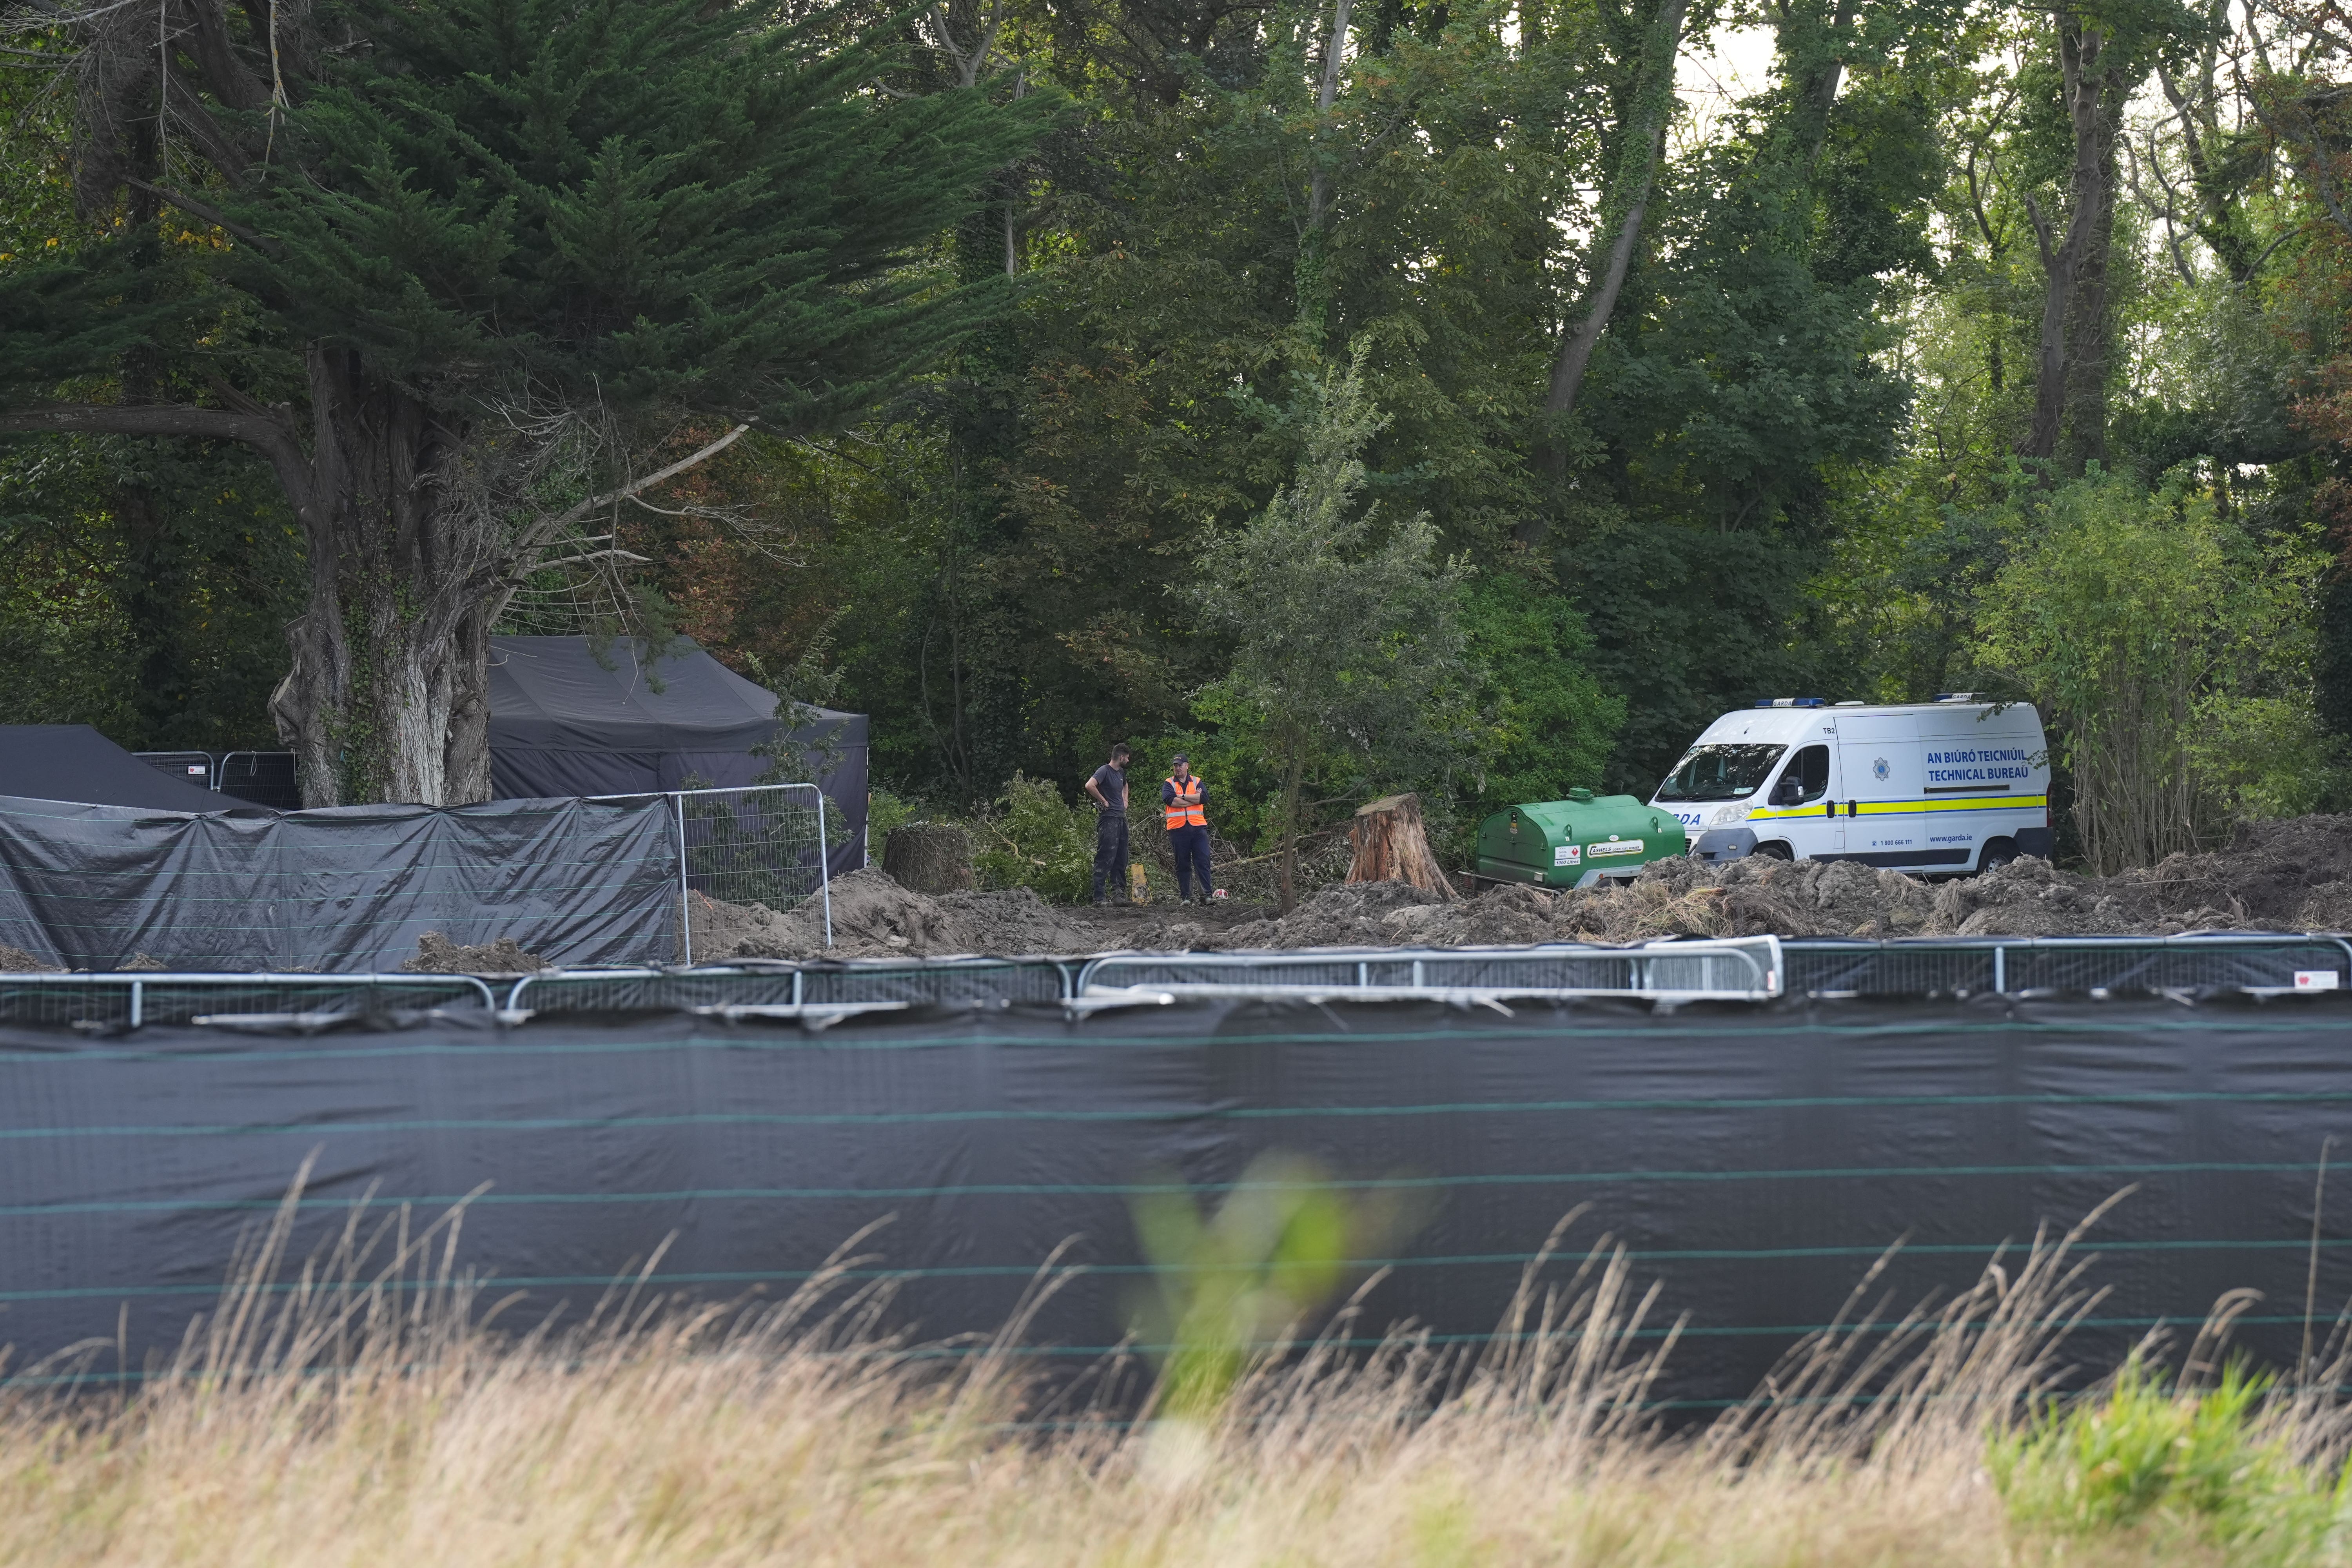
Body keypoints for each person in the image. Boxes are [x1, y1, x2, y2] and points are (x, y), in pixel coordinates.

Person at [1083, 742, 1132, 905]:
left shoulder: (1121, 773)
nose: (1128, 760)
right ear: (1121, 757)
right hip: (1108, 818)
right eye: (1127, 758)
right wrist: (1103, 800)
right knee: (1106, 856)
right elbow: (1089, 785)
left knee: (1121, 857)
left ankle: (1119, 895)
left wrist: (1125, 800)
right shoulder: (1104, 771)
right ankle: (1099, 897)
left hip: (1121, 818)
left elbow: (1125, 785)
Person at [1162, 754, 1213, 904]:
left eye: (1180, 765)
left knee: (1203, 861)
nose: (1177, 768)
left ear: (1187, 766)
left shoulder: (1197, 781)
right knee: (1183, 863)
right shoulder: (1169, 783)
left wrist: (1182, 796)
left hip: (1198, 827)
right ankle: (1186, 897)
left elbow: (1204, 798)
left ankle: (1206, 896)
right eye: (1175, 766)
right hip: (1177, 829)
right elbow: (1171, 801)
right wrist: (1193, 799)